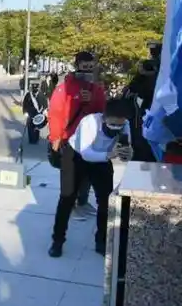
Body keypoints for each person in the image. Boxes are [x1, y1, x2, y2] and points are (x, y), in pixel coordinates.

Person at [49, 98, 133, 258]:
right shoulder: (90, 123)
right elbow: (86, 153)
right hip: (76, 156)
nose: (116, 128)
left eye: (120, 125)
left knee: (106, 201)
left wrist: (127, 153)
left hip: (102, 161)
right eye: (113, 124)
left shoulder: (125, 126)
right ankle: (57, 241)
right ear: (104, 117)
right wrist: (109, 154)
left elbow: (125, 148)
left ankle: (101, 241)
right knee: (67, 198)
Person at [48, 52, 106, 219]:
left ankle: (82, 201)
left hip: (89, 139)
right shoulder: (65, 87)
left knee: (87, 174)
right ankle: (69, 203)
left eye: (90, 66)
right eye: (84, 66)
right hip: (69, 139)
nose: (87, 69)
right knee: (69, 174)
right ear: (77, 65)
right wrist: (55, 137)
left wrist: (93, 98)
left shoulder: (96, 87)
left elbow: (102, 111)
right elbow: (56, 113)